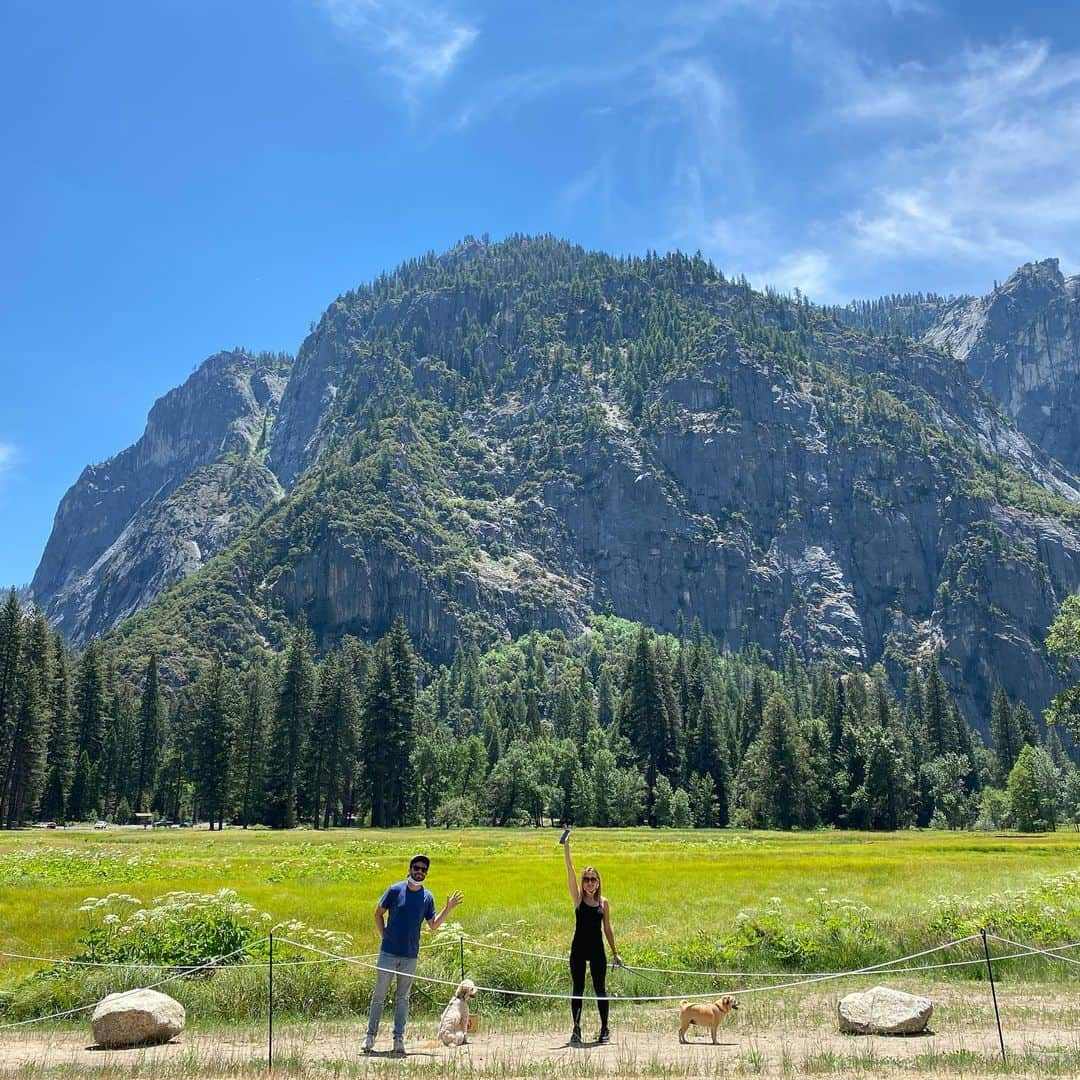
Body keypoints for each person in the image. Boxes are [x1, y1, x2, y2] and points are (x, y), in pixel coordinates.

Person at [363, 854, 463, 1055]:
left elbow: (433, 925)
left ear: (426, 873)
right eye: (416, 868)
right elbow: (378, 913)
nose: (419, 872)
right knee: (379, 997)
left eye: (423, 869)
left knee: (403, 998)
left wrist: (448, 908)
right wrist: (385, 936)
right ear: (409, 869)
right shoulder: (395, 890)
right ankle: (370, 1037)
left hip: (410, 956)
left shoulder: (427, 897)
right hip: (388, 954)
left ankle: (398, 1039)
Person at [563, 831, 621, 1045]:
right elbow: (569, 871)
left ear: (598, 882)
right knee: (578, 988)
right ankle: (576, 1028)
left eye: (593, 880)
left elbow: (607, 928)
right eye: (586, 880)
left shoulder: (603, 903)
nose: (589, 883)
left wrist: (615, 952)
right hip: (578, 949)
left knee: (600, 988)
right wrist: (566, 849)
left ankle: (605, 1027)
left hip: (597, 950)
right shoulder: (577, 899)